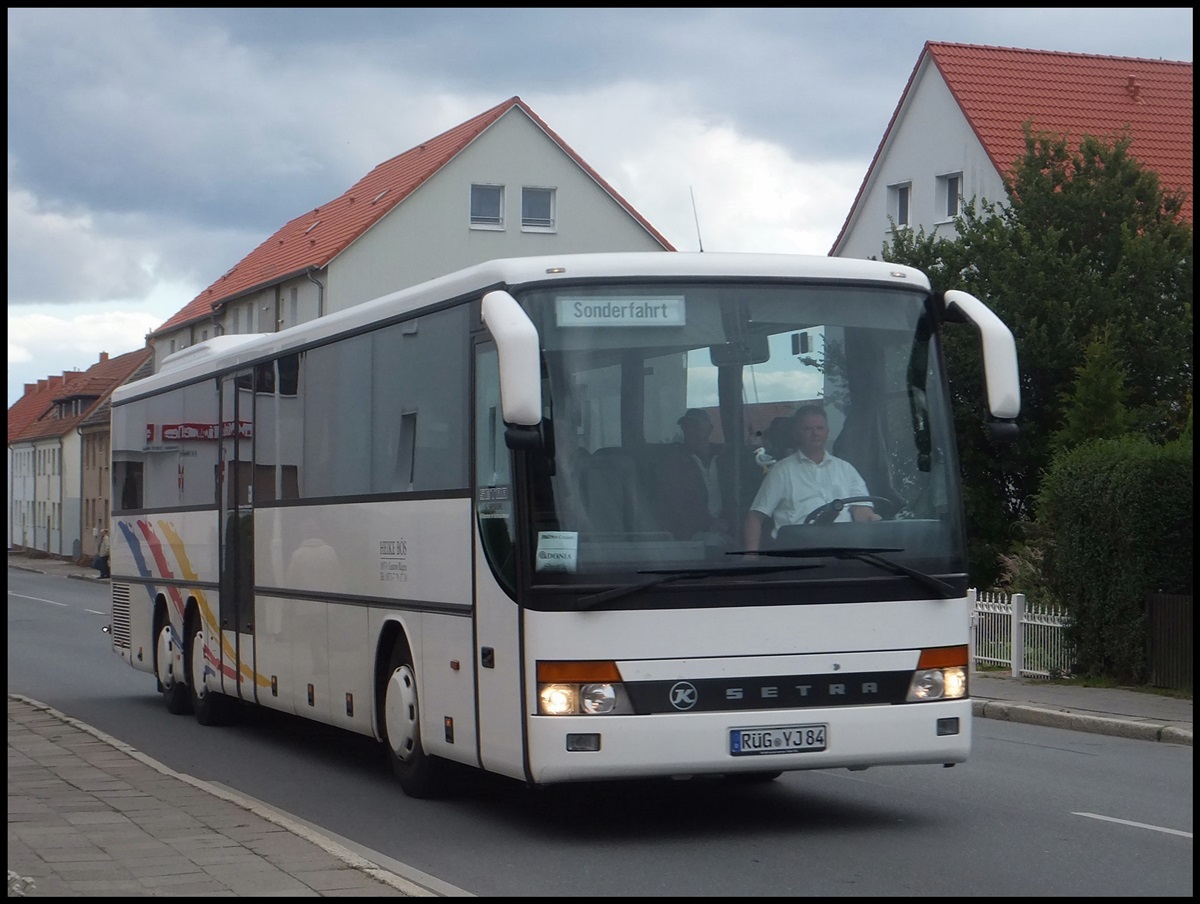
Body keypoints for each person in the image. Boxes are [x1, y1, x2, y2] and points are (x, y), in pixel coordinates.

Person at [743, 405, 881, 550]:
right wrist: (751, 555)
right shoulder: (781, 471)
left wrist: (871, 519)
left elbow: (861, 510)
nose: (815, 433)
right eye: (808, 429)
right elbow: (755, 516)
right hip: (797, 556)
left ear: (827, 432)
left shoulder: (846, 469)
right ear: (797, 434)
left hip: (843, 552)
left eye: (820, 428)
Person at [654, 408, 732, 542]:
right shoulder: (674, 461)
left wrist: (731, 524)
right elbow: (677, 503)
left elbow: (738, 496)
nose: (690, 430)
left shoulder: (726, 459)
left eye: (696, 425)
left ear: (710, 429)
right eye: (686, 427)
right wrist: (709, 523)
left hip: (729, 530)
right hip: (690, 535)